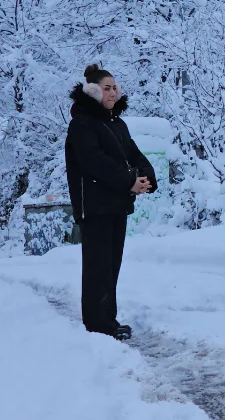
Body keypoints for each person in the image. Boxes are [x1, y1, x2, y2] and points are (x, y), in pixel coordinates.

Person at [65, 64, 157, 340]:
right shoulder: (82, 124)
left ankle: (108, 320)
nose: (113, 93)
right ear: (92, 91)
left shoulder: (116, 124)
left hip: (116, 204)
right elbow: (95, 162)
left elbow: (134, 154)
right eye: (107, 88)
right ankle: (97, 325)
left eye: (115, 87)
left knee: (111, 266)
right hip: (94, 207)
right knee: (98, 268)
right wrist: (129, 181)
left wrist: (146, 178)